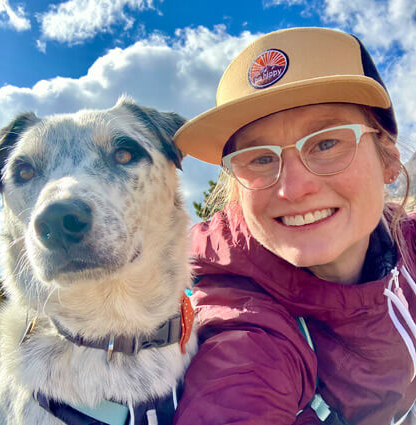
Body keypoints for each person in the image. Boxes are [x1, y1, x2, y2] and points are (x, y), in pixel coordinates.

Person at [172, 27, 416, 425]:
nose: (292, 188)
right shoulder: (248, 331)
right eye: (260, 158)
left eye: (325, 143)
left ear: (388, 159)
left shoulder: (408, 237)